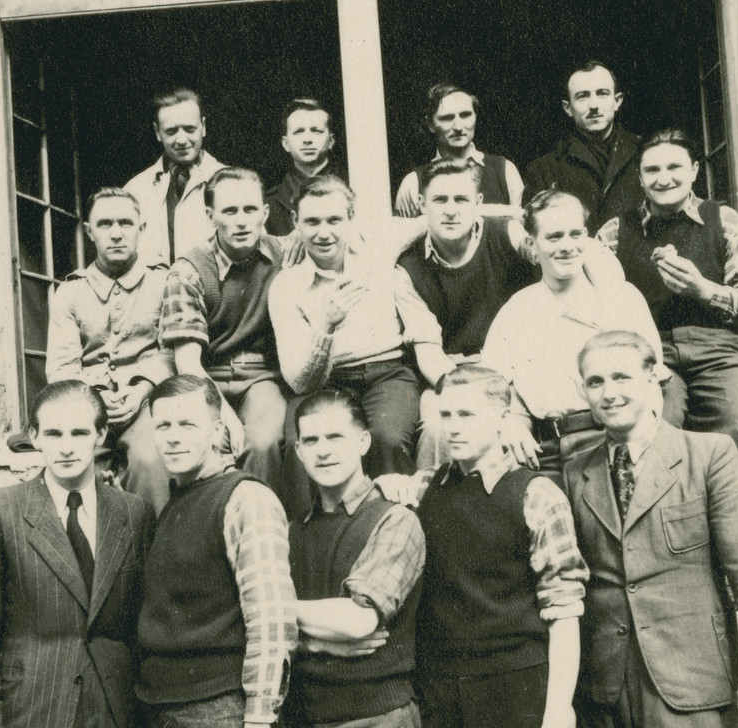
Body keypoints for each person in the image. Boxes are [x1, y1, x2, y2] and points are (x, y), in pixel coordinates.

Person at [565, 331, 738, 728]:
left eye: (621, 377)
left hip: (692, 692)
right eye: (595, 382)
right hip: (602, 701)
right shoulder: (575, 470)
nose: (609, 393)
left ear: (654, 377)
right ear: (583, 391)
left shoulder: (708, 456)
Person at [381, 365, 588, 728]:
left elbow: (564, 614)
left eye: (467, 415)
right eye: (446, 416)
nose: (453, 428)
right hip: (439, 693)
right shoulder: (423, 489)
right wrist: (384, 484)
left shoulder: (537, 495)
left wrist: (555, 717)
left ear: (502, 420)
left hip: (518, 691)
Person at [0, 381, 146, 728]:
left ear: (100, 435)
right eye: (54, 433)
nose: (67, 447)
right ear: (35, 437)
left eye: (79, 433)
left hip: (118, 721)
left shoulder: (133, 513)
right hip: (34, 721)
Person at [393, 156, 624, 469]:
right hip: (454, 374)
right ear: (422, 204)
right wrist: (475, 397)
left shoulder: (506, 234)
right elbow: (429, 355)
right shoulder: (407, 269)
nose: (450, 210)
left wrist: (610, 295)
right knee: (440, 426)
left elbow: (563, 247)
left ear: (479, 203)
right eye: (439, 200)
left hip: (519, 362)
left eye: (461, 199)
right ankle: (440, 508)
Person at [135, 374, 297, 728]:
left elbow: (272, 620)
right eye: (163, 426)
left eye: (187, 424)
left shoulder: (246, 499)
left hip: (220, 716)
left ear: (218, 430)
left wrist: (259, 724)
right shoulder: (177, 500)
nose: (173, 437)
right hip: (162, 708)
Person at [595, 128, 738, 489]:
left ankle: (732, 531)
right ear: (640, 178)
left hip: (721, 352)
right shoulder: (614, 233)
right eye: (652, 171)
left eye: (674, 167)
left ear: (694, 170)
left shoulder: (724, 221)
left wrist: (704, 290)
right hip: (650, 355)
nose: (664, 179)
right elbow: (592, 307)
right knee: (654, 429)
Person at [280, 387, 427, 728]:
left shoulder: (394, 519)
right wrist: (314, 640)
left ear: (363, 442)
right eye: (310, 440)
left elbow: (358, 620)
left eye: (335, 437)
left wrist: (273, 610)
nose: (323, 450)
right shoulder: (293, 533)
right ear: (297, 450)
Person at [480, 188, 663, 487]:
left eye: (575, 234)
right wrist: (509, 421)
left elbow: (653, 381)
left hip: (611, 440)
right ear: (532, 244)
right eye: (553, 237)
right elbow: (491, 388)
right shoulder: (516, 311)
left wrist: (639, 442)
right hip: (544, 453)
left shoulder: (621, 298)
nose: (567, 246)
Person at [268, 173, 421, 517]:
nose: (324, 233)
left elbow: (438, 217)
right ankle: (309, 543)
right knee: (300, 449)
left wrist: (520, 218)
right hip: (324, 382)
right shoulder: (287, 285)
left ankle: (397, 530)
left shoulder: (377, 245)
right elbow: (299, 381)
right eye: (312, 221)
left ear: (352, 218)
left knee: (386, 439)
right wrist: (325, 326)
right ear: (296, 222)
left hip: (387, 374)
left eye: (335, 219)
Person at [158, 167, 288, 495]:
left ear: (266, 212)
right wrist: (223, 414)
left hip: (260, 377)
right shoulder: (188, 271)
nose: (242, 221)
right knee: (203, 443)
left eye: (250, 210)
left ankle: (258, 528)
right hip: (204, 375)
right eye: (229, 211)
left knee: (262, 442)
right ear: (210, 215)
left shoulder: (285, 257)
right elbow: (188, 362)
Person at [45, 187, 173, 514]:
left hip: (147, 402)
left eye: (126, 223)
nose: (116, 233)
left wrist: (141, 391)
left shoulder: (164, 283)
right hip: (85, 403)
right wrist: (97, 395)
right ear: (89, 231)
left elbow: (170, 352)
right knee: (70, 469)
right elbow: (61, 367)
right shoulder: (70, 292)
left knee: (150, 458)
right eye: (104, 224)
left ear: (141, 229)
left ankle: (151, 555)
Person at [523, 60, 643, 234]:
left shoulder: (646, 155)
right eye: (583, 96)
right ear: (568, 108)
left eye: (602, 93)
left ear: (617, 101)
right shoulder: (544, 169)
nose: (593, 106)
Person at [124, 88, 227, 267]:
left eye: (189, 129)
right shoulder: (134, 190)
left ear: (203, 127)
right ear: (157, 132)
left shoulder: (233, 183)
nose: (181, 139)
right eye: (171, 131)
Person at [393, 83, 524, 218]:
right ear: (430, 124)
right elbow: (401, 234)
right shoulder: (413, 183)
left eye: (465, 115)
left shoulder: (504, 170)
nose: (458, 126)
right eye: (447, 118)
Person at [264, 97, 346, 237]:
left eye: (316, 131)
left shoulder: (355, 187)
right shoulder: (270, 203)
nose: (307, 139)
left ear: (331, 141)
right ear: (285, 144)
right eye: (298, 132)